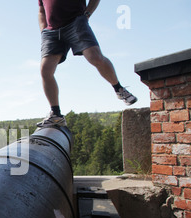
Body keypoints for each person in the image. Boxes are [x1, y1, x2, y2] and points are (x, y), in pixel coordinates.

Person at [37, 0, 137, 128]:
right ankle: (56, 115)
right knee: (45, 70)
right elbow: (41, 11)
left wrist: (87, 14)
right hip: (51, 32)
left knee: (95, 57)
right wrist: (43, 30)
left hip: (75, 22)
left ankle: (119, 89)